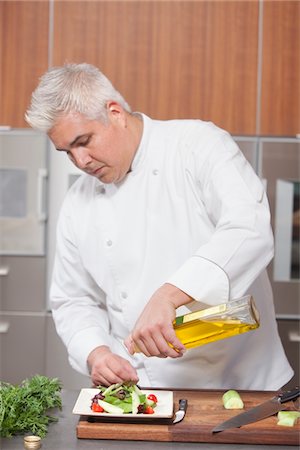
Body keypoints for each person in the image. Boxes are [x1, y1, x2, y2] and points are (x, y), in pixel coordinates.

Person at [25, 63, 293, 390]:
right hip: (146, 387)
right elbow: (73, 299)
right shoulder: (77, 203)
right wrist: (95, 353)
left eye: (84, 141)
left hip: (243, 381)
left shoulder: (196, 144)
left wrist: (169, 295)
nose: (80, 162)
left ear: (115, 112)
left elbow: (249, 227)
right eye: (67, 151)